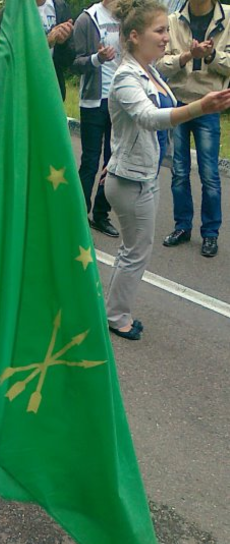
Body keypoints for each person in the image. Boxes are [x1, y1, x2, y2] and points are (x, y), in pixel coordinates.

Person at [104, 0, 230, 340]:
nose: (166, 37)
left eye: (166, 31)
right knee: (135, 253)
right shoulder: (127, 76)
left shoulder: (150, 70)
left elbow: (131, 126)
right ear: (134, 36)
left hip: (139, 175)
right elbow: (149, 118)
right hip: (131, 179)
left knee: (133, 250)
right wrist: (200, 107)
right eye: (159, 31)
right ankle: (117, 317)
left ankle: (115, 310)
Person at [157, 0, 230, 258]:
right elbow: (159, 64)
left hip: (208, 104)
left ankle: (210, 233)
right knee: (178, 170)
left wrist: (210, 56)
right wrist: (187, 56)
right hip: (179, 102)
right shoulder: (173, 20)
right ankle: (182, 226)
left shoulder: (227, 18)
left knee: (209, 174)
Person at [72, 0, 121, 238]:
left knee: (113, 161)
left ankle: (101, 215)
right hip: (94, 100)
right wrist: (97, 59)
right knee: (91, 160)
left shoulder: (128, 18)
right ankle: (79, 213)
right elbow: (75, 63)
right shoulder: (87, 19)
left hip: (121, 100)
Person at [0, 0, 74, 101]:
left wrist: (63, 42)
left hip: (50, 92)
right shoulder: (12, 11)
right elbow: (9, 57)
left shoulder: (60, 8)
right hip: (20, 92)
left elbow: (68, 60)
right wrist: (46, 42)